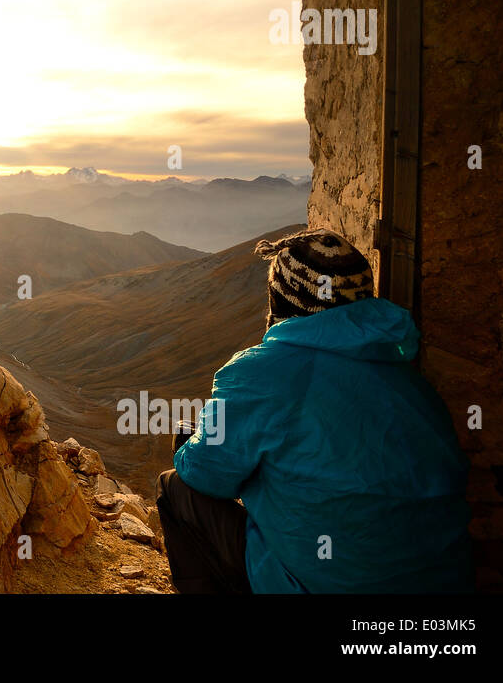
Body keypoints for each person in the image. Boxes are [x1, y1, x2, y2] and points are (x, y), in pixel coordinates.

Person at [156, 228, 474, 593]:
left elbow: (206, 475)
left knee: (177, 483)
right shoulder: (407, 374)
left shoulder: (261, 372)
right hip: (444, 580)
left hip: (323, 584)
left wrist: (193, 443)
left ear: (282, 301)